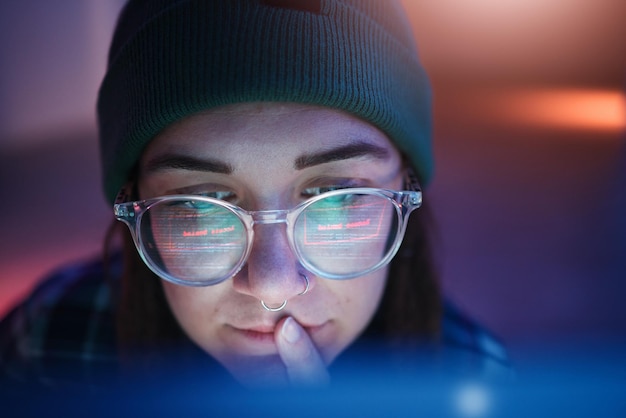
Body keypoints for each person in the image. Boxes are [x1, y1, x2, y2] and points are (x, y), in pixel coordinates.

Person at [0, 0, 508, 391]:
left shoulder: (474, 380)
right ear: (135, 209)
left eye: (335, 198)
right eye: (201, 205)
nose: (273, 286)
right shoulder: (53, 343)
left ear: (406, 192)